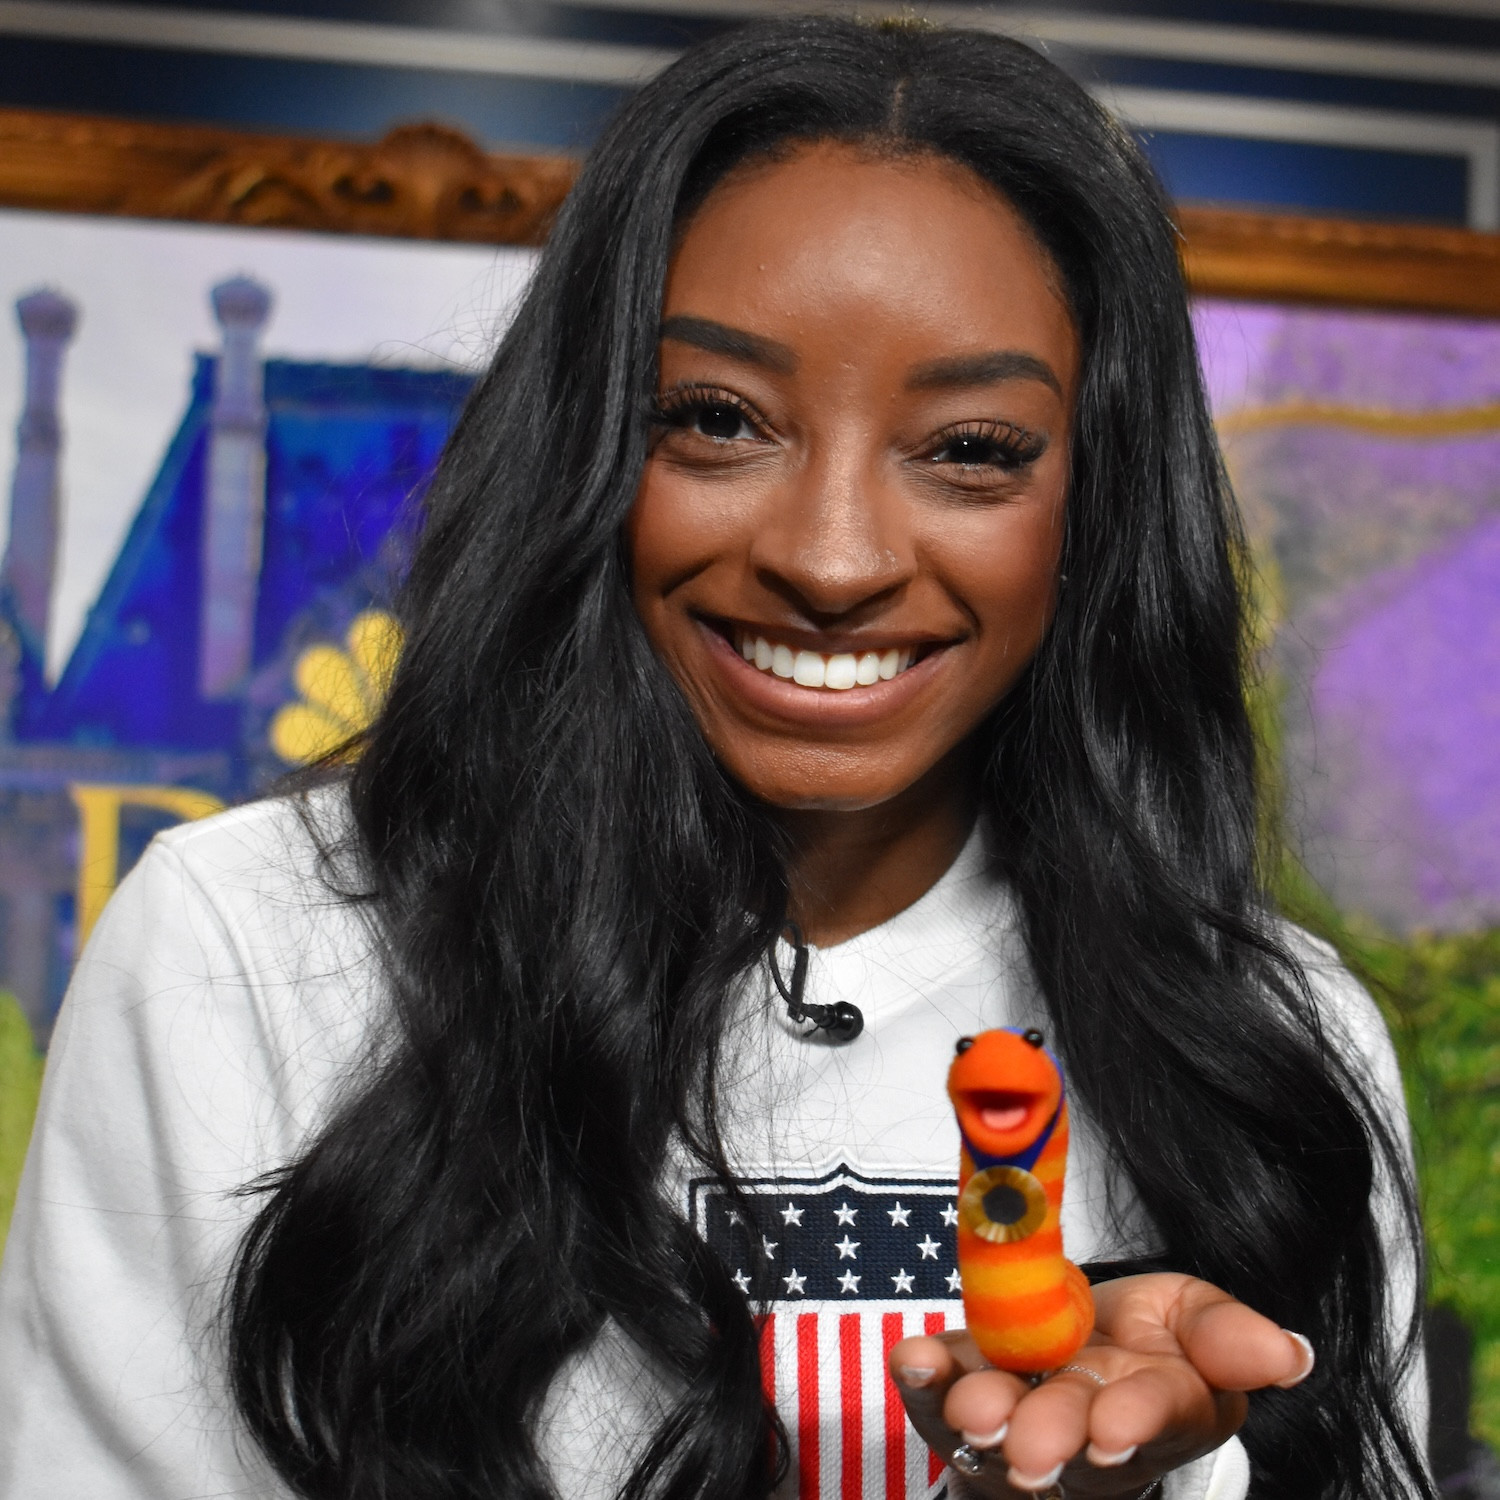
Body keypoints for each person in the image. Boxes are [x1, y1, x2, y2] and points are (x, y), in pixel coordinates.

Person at [0, 16, 1433, 1500]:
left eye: (969, 450)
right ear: (587, 452)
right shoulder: (241, 954)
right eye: (718, 420)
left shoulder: (1272, 1050)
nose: (832, 558)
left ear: (1095, 514)